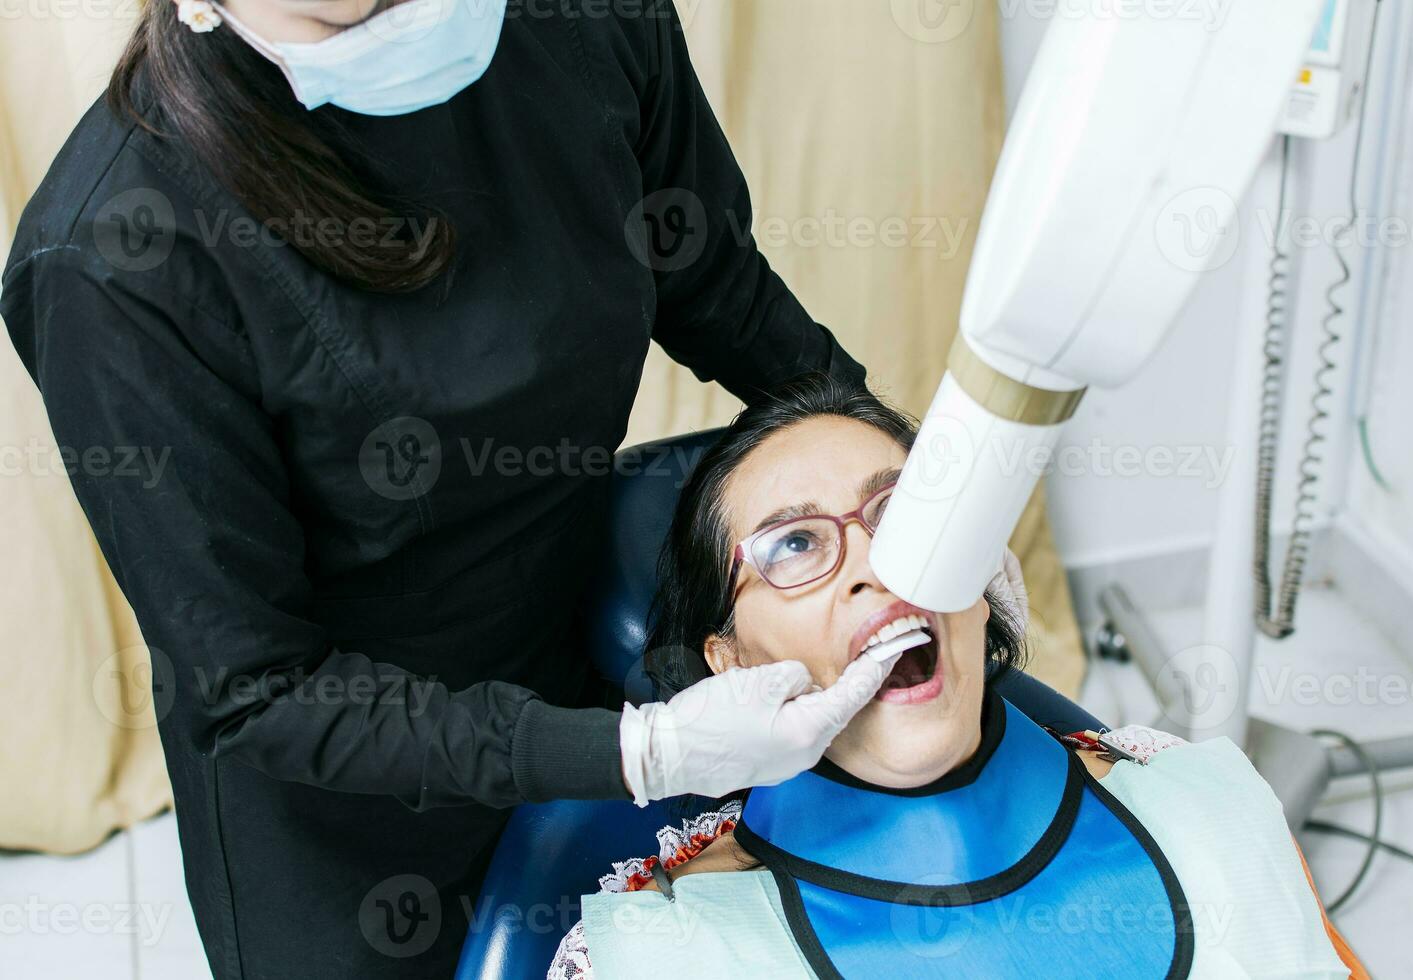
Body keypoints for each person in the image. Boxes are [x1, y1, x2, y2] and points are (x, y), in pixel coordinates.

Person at [0, 2, 895, 976]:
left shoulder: (587, 25)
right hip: (352, 794)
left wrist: (917, 499)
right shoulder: (115, 262)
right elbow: (260, 689)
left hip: (588, 633)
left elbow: (716, 285)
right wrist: (646, 753)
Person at [549, 375, 1367, 979]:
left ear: (983, 577)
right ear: (727, 662)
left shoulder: (1216, 815)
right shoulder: (663, 959)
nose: (878, 566)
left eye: (906, 513)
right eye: (793, 544)